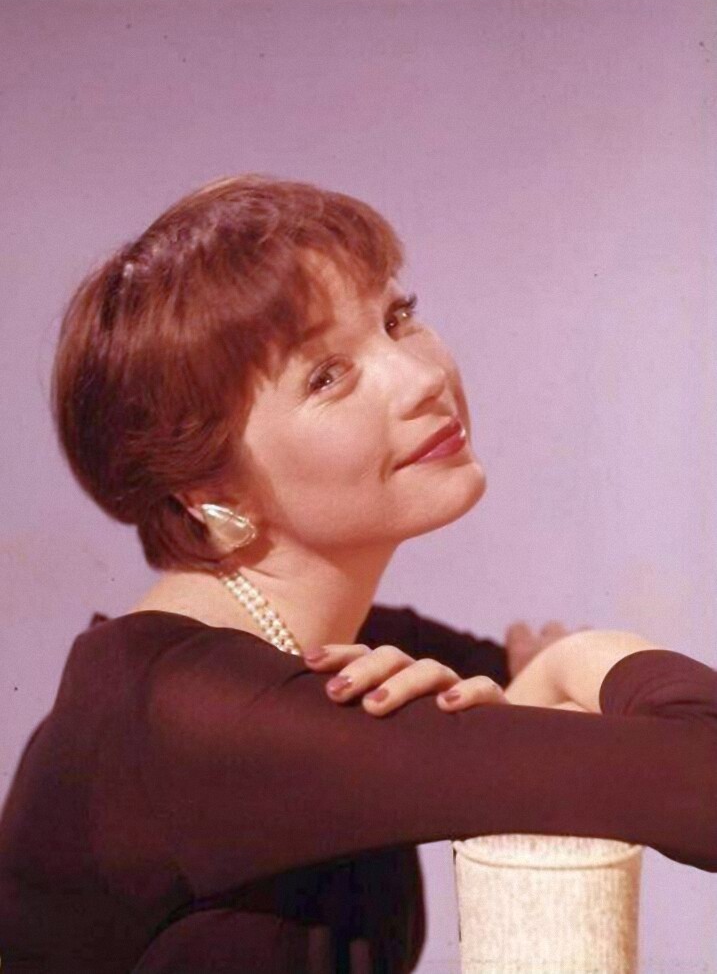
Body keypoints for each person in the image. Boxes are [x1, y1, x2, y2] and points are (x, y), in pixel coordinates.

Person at [0, 174, 714, 974]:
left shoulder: (354, 652)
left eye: (397, 318)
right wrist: (583, 653)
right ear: (205, 487)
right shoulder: (199, 717)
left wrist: (546, 689)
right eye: (326, 376)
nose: (422, 378)